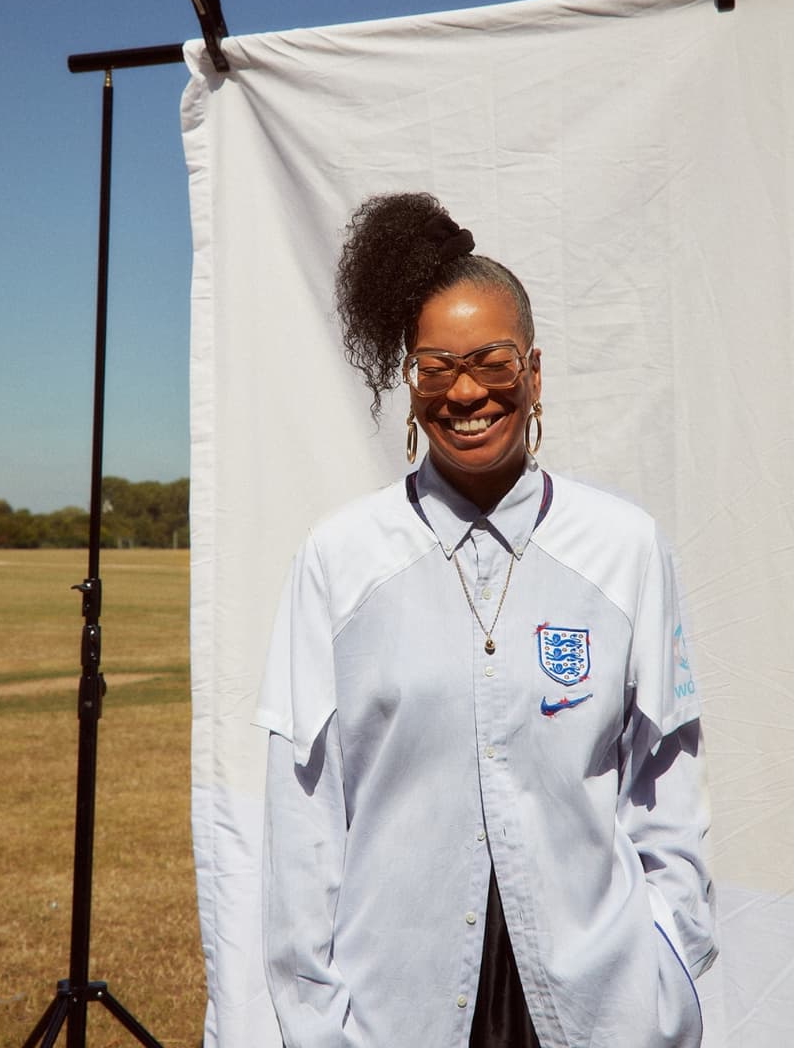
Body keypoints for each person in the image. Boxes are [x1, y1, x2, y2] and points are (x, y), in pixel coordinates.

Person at [256, 192, 717, 1048]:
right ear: (410, 382)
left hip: (595, 1009)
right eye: (435, 367)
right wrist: (317, 1026)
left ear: (533, 372)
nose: (465, 392)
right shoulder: (339, 559)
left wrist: (669, 968)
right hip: (398, 1009)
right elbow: (304, 816)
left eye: (492, 362)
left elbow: (668, 782)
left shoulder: (626, 548)